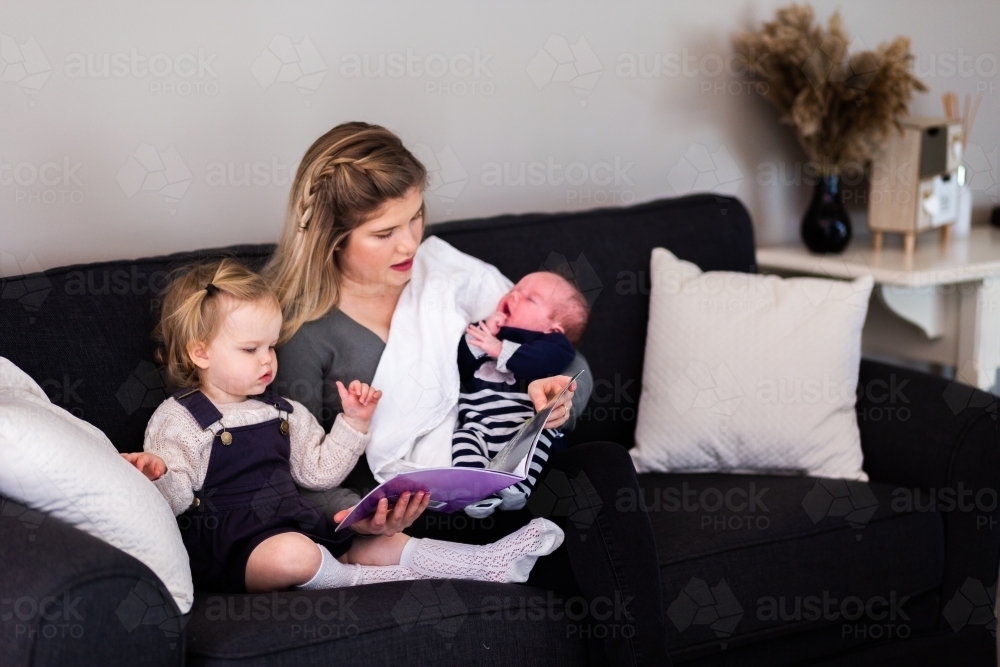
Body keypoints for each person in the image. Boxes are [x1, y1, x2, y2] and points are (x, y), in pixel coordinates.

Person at [268, 122, 670, 666]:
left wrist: (555, 390)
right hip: (412, 508)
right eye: (384, 233)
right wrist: (356, 517)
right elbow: (293, 469)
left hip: (500, 474)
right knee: (588, 568)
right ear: (332, 238)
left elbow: (565, 353)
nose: (410, 242)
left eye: (416, 217)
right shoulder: (304, 335)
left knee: (602, 464)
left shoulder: (445, 277)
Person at [120, 258, 565, 595]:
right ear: (201, 353)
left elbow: (319, 473)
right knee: (294, 554)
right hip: (235, 547)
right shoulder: (179, 417)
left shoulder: (284, 411)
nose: (267, 360)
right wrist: (156, 474)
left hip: (293, 523)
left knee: (381, 542)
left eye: (271, 346)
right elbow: (177, 501)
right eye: (250, 348)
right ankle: (355, 580)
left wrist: (353, 423)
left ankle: (489, 562)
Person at [454, 271, 590, 518]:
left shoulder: (553, 346)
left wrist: (499, 348)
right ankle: (474, 493)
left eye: (530, 299)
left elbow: (541, 364)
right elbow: (459, 367)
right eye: (515, 289)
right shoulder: (486, 331)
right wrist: (480, 338)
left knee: (544, 434)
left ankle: (518, 485)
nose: (514, 296)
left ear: (554, 329)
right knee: (463, 440)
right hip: (478, 422)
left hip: (524, 424)